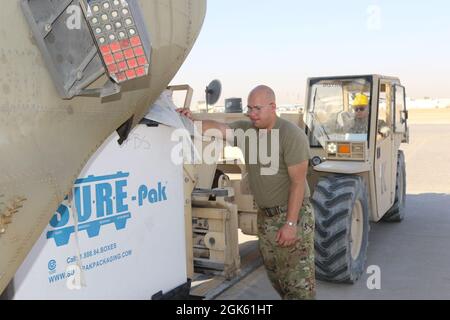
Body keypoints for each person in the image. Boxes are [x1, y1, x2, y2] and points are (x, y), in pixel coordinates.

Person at [177, 85, 315, 300]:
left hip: (292, 215)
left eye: (257, 109)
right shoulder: (247, 130)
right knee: (277, 276)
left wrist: (290, 224)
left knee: (298, 282)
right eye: (249, 108)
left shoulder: (291, 135)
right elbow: (216, 128)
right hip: (266, 217)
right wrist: (190, 119)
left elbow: (298, 183)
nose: (252, 114)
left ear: (273, 107)